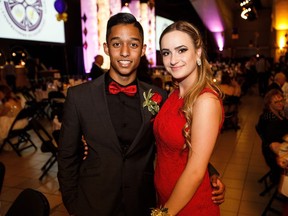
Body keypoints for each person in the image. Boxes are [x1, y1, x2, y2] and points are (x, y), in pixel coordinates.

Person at [57, 13, 225, 216]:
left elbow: (181, 142)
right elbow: (66, 157)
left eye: (134, 45)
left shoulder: (158, 96)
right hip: (93, 204)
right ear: (106, 48)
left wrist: (210, 174)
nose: (125, 52)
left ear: (143, 50)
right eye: (117, 44)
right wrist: (73, 205)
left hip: (142, 203)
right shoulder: (79, 97)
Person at [153, 21, 224, 215]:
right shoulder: (175, 94)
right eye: (166, 52)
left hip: (188, 206)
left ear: (198, 52)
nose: (173, 60)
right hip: (168, 198)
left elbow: (194, 171)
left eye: (181, 50)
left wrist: (163, 213)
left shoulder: (205, 101)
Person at [256, 89, 288, 184]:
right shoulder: (271, 120)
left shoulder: (276, 113)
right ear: (269, 103)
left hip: (275, 148)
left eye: (281, 100)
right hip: (272, 154)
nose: (280, 104)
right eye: (276, 102)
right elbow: (273, 143)